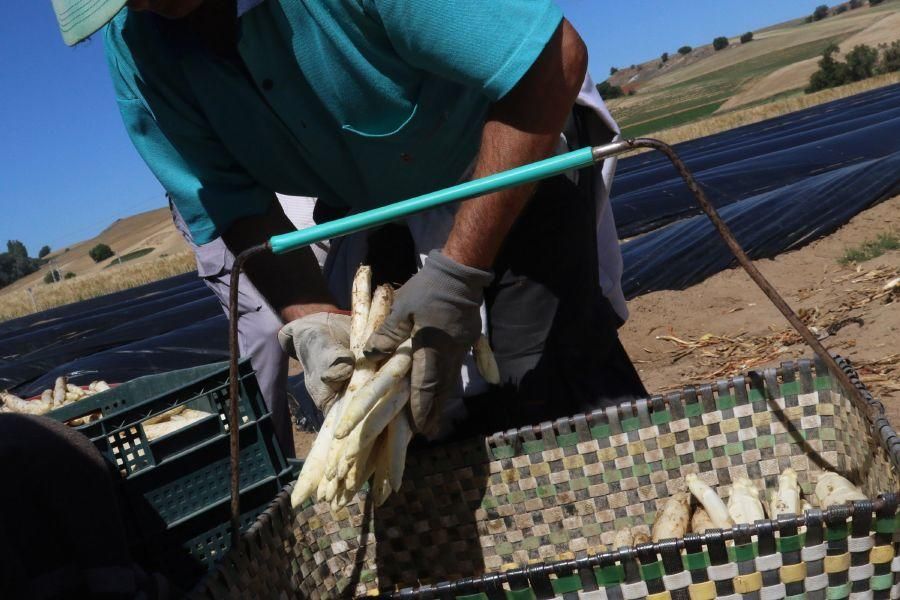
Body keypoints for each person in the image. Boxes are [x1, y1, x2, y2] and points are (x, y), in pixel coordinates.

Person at [52, 0, 646, 441]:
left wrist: (459, 274)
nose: (150, 6)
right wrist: (311, 317)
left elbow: (551, 62)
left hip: (506, 152)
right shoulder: (138, 44)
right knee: (407, 412)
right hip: (368, 202)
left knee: (545, 383)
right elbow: (231, 203)